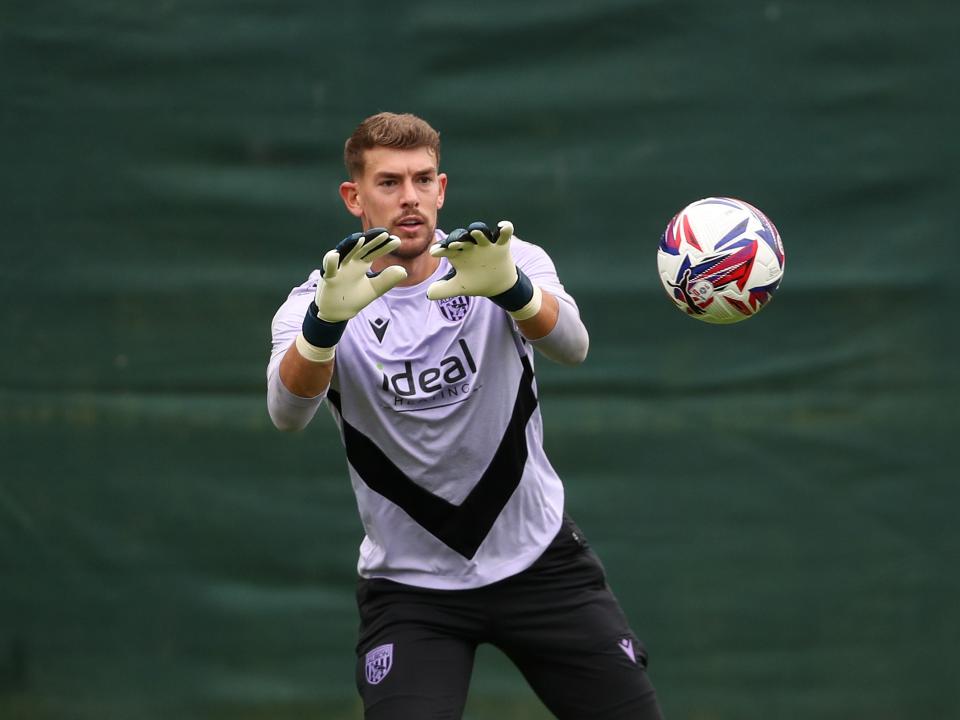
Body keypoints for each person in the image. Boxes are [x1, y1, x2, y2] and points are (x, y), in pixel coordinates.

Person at [267, 111, 664, 719]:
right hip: (411, 589)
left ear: (442, 188)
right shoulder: (315, 302)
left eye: (423, 180)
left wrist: (513, 291)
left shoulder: (504, 260)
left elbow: (573, 346)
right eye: (389, 182)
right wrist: (324, 330)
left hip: (539, 561)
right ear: (354, 197)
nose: (410, 198)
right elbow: (286, 413)